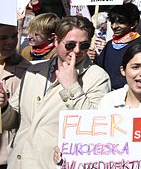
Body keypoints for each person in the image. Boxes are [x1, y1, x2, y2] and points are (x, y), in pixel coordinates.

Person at [7, 16, 110, 168]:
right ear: (56, 40)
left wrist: (72, 87)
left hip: (52, 164)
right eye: (70, 45)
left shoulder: (97, 77)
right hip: (19, 162)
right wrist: (3, 107)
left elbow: (96, 129)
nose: (77, 51)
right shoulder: (34, 71)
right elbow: (13, 119)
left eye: (84, 45)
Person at [94, 3, 141, 90]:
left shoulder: (140, 47)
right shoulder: (110, 44)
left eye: (121, 23)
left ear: (133, 24)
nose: (114, 26)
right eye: (112, 22)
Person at [0, 23, 29, 166]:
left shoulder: (28, 71)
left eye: (13, 36)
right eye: (3, 37)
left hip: (8, 153)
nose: (10, 42)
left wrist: (5, 105)